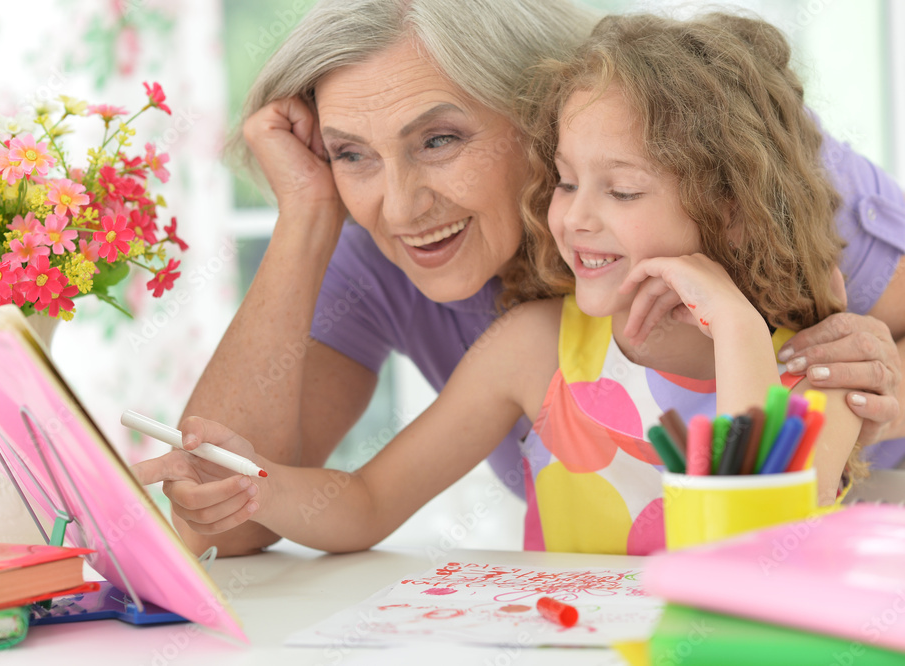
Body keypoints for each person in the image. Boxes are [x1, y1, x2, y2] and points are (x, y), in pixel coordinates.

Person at [147, 0, 905, 556]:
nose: (401, 205)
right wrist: (308, 215)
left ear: (533, 115)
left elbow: (760, 551)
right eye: (350, 153)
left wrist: (752, 333)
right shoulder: (532, 338)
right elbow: (297, 512)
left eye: (439, 140)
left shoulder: (768, 189)